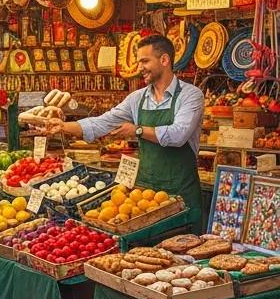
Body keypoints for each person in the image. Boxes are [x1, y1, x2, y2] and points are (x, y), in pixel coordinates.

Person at [33, 33, 205, 230]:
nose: (140, 68)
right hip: (143, 198)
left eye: (145, 61)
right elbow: (102, 123)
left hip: (182, 195)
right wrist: (63, 126)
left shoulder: (191, 95)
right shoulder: (137, 99)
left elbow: (177, 135)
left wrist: (137, 130)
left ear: (164, 60)